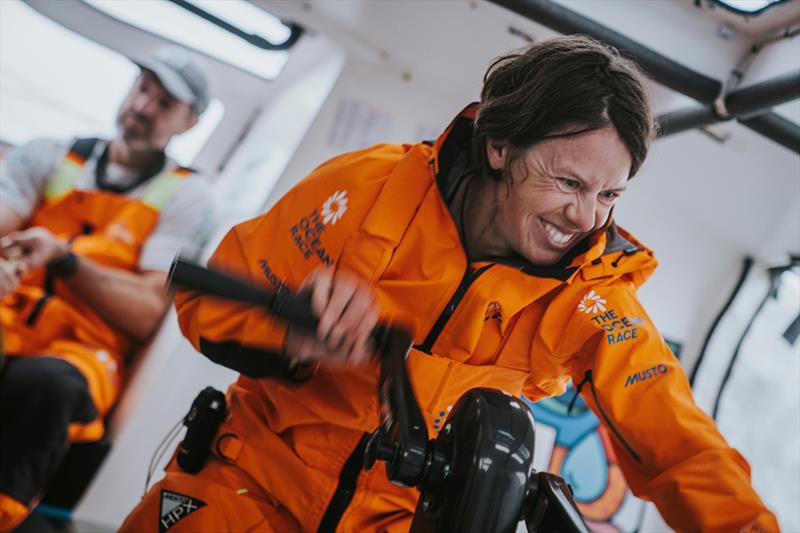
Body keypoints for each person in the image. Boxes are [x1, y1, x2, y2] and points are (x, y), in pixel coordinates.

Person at [122, 36, 777, 533]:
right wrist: (295, 335)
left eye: (610, 193)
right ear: (500, 147)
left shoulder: (595, 298)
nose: (586, 217)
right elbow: (207, 298)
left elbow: (682, 445)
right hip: (242, 492)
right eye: (568, 181)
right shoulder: (366, 189)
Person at [0, 46, 214, 530]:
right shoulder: (48, 155)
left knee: (49, 388)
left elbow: (145, 313)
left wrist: (65, 259)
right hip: (10, 320)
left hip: (81, 353)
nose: (142, 107)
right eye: (142, 88)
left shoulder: (187, 198)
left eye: (163, 105)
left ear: (189, 123)